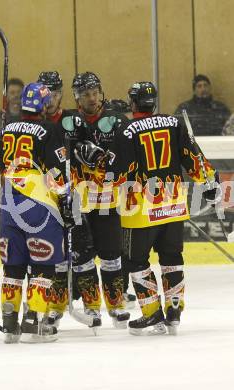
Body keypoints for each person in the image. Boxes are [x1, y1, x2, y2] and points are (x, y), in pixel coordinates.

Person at [112, 81, 221, 335]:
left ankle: (151, 314)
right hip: (172, 203)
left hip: (140, 208)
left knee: (135, 261)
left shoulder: (127, 131)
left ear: (133, 102)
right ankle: (174, 310)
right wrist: (209, 184)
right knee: (172, 258)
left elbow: (118, 174)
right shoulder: (174, 123)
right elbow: (194, 158)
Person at [0, 82, 74, 343]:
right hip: (38, 204)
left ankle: (10, 324)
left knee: (13, 266)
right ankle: (34, 322)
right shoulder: (48, 129)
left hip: (8, 204)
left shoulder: (8, 128)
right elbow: (57, 172)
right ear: (44, 105)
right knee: (44, 265)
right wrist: (66, 202)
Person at [36, 71, 100, 329]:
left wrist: (90, 154)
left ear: (61, 93)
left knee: (83, 253)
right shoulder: (33, 124)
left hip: (72, 196)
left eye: (53, 92)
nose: (49, 97)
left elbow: (93, 152)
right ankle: (54, 307)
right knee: (55, 257)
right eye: (44, 92)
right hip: (43, 200)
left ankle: (92, 306)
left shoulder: (74, 120)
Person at [71, 71, 130, 328]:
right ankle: (91, 307)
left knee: (111, 254)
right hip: (78, 200)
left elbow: (129, 153)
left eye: (95, 93)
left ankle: (116, 305)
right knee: (83, 259)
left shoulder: (115, 121)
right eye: (86, 95)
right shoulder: (69, 122)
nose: (92, 98)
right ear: (77, 98)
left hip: (107, 198)